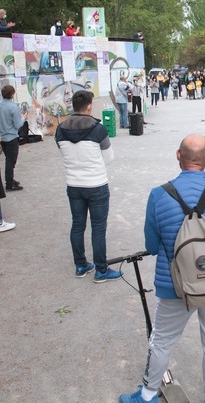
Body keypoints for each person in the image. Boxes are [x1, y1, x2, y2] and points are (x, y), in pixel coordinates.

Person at [119, 134, 205, 403]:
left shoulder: (158, 195)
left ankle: (148, 394)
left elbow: (152, 246)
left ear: (178, 156)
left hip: (174, 284)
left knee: (162, 339)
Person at [55, 90, 121, 282]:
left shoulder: (60, 129)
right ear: (90, 106)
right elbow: (109, 157)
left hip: (73, 184)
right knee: (98, 227)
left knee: (77, 225)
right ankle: (101, 270)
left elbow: (63, 152)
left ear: (73, 106)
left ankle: (81, 265)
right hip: (96, 184)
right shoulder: (98, 129)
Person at [0, 85, 25, 191]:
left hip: (2, 137)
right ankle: (9, 183)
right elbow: (18, 124)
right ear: (12, 94)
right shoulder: (13, 107)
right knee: (11, 161)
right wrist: (24, 118)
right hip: (11, 137)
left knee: (8, 160)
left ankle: (10, 179)